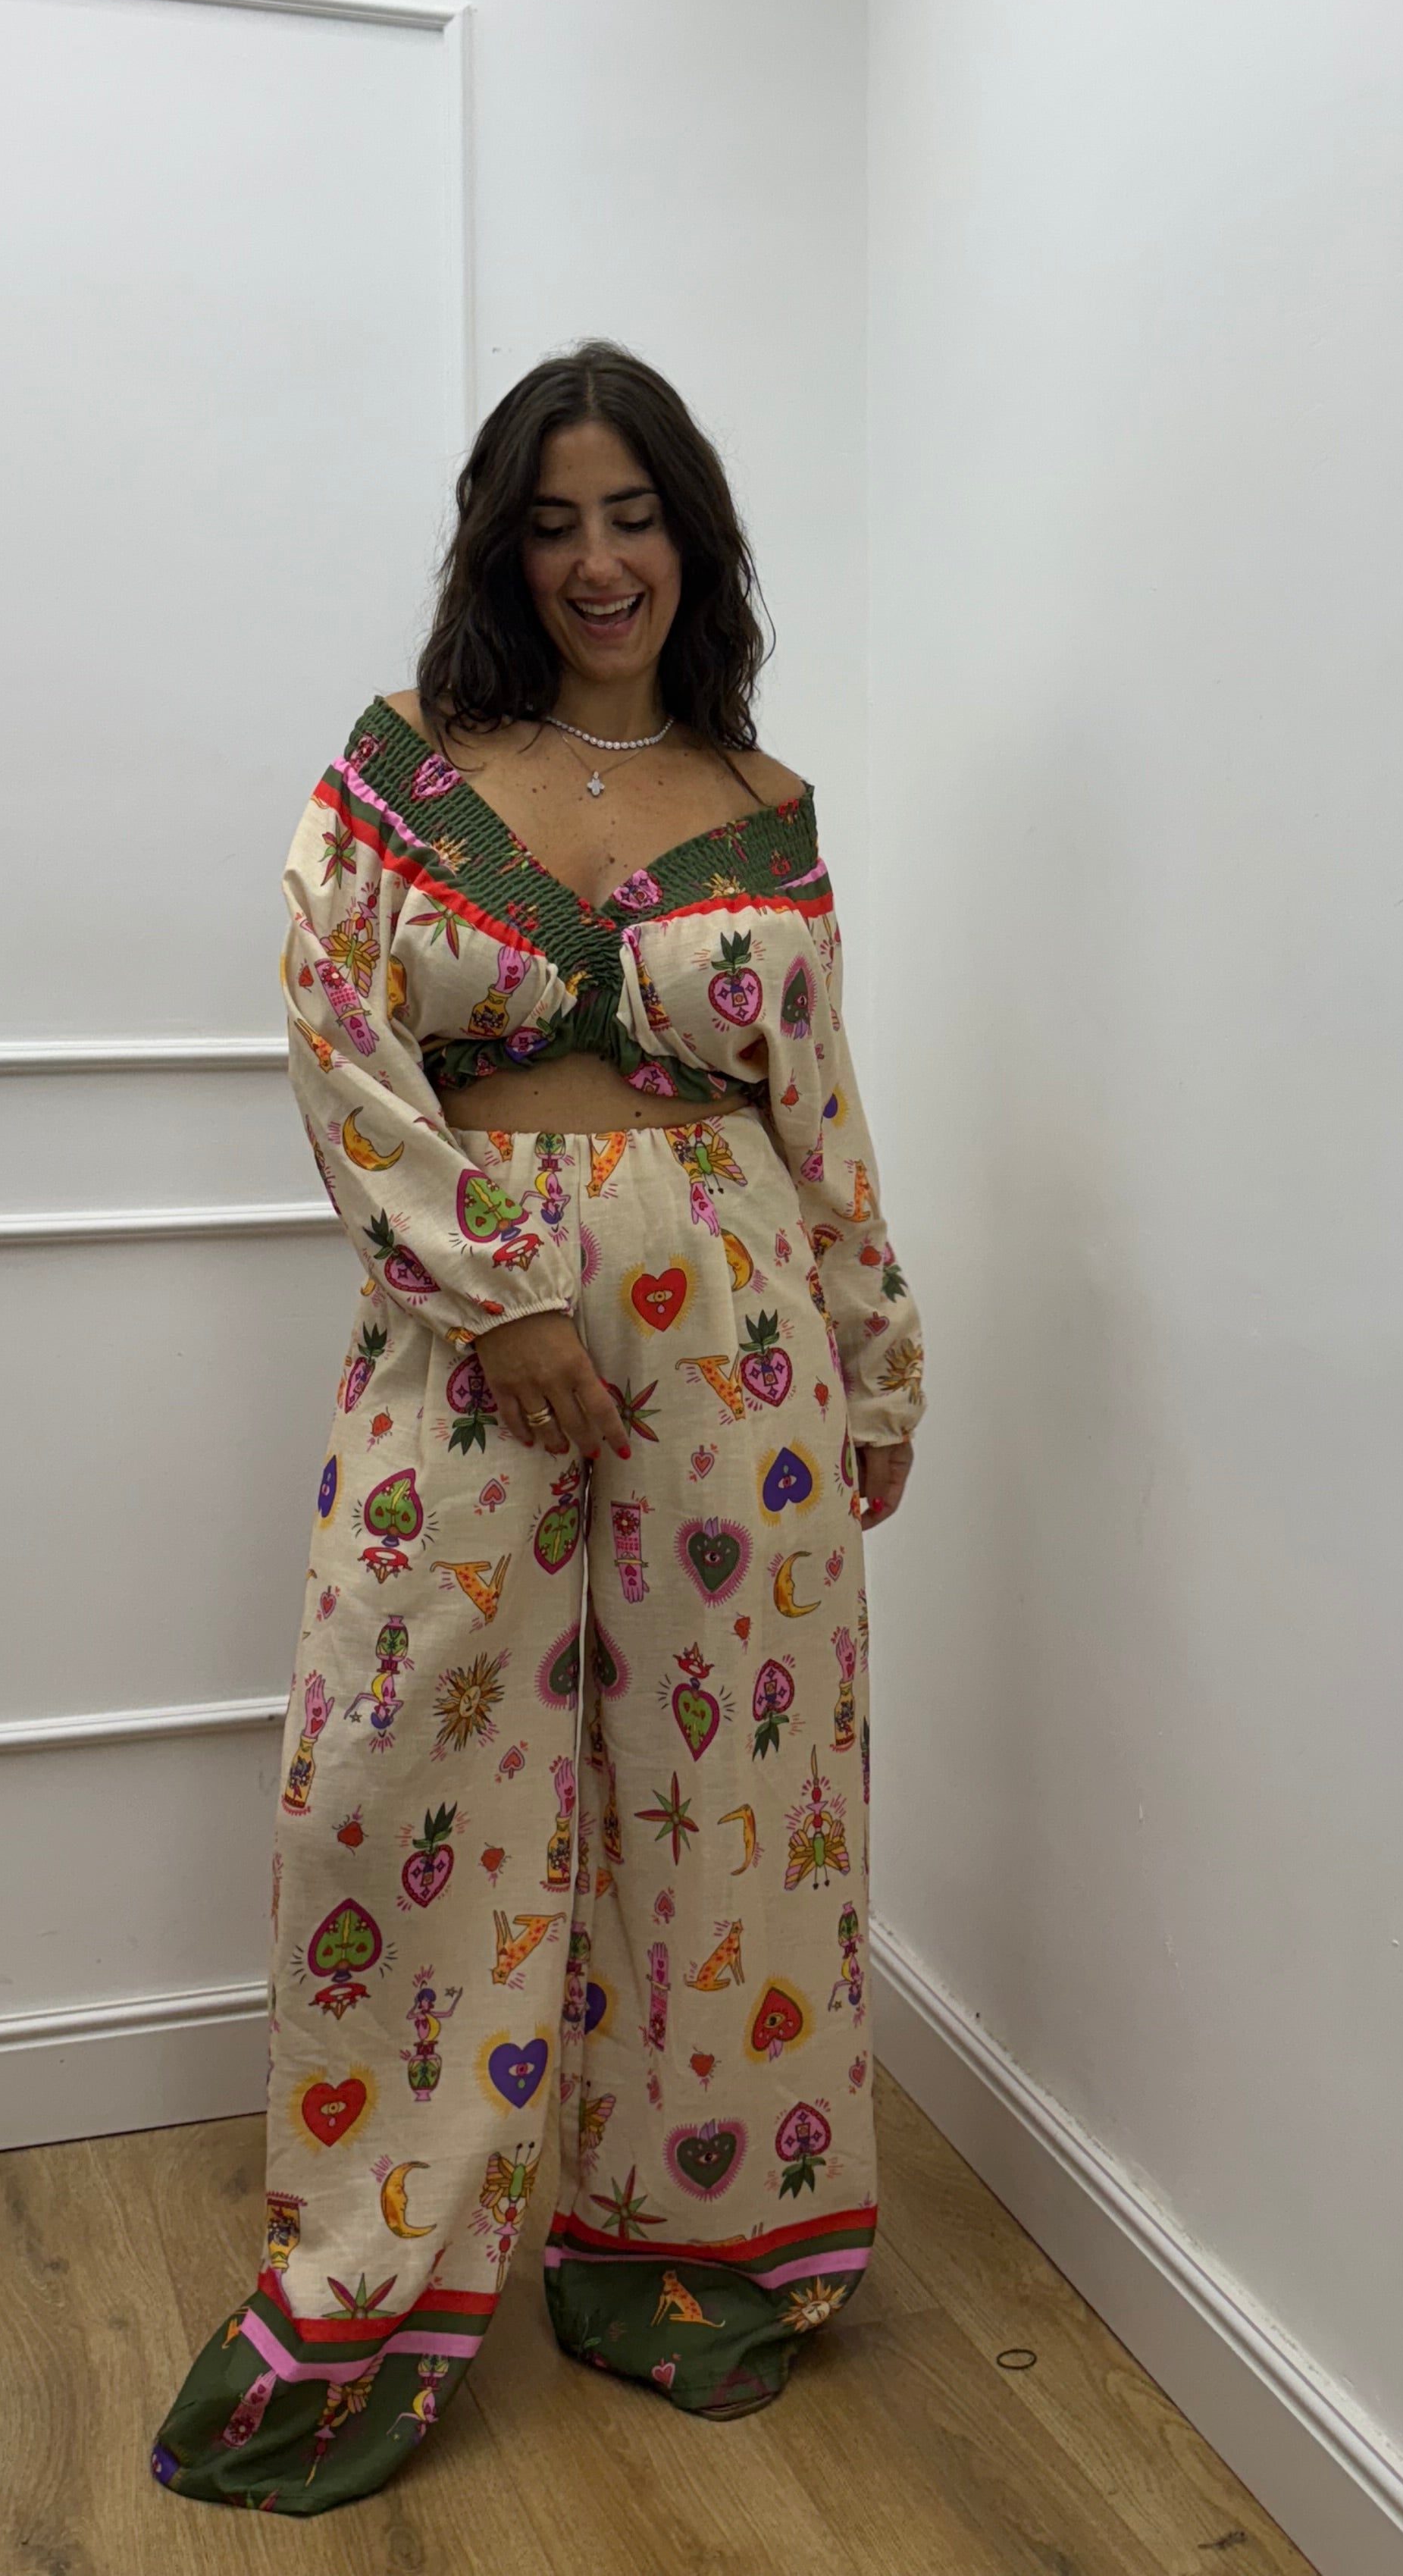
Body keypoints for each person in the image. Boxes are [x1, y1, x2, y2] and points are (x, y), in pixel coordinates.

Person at [153, 342, 924, 2512]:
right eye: (556, 522)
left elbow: (821, 1112)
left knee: (736, 1796)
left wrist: (876, 1361)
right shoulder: (404, 777)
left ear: (696, 542)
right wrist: (495, 1300)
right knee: (396, 1774)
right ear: (502, 549)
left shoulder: (763, 802)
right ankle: (368, 2269)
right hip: (465, 1335)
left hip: (741, 1349)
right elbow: (336, 1038)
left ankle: (698, 2241)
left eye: (636, 517)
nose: (600, 562)